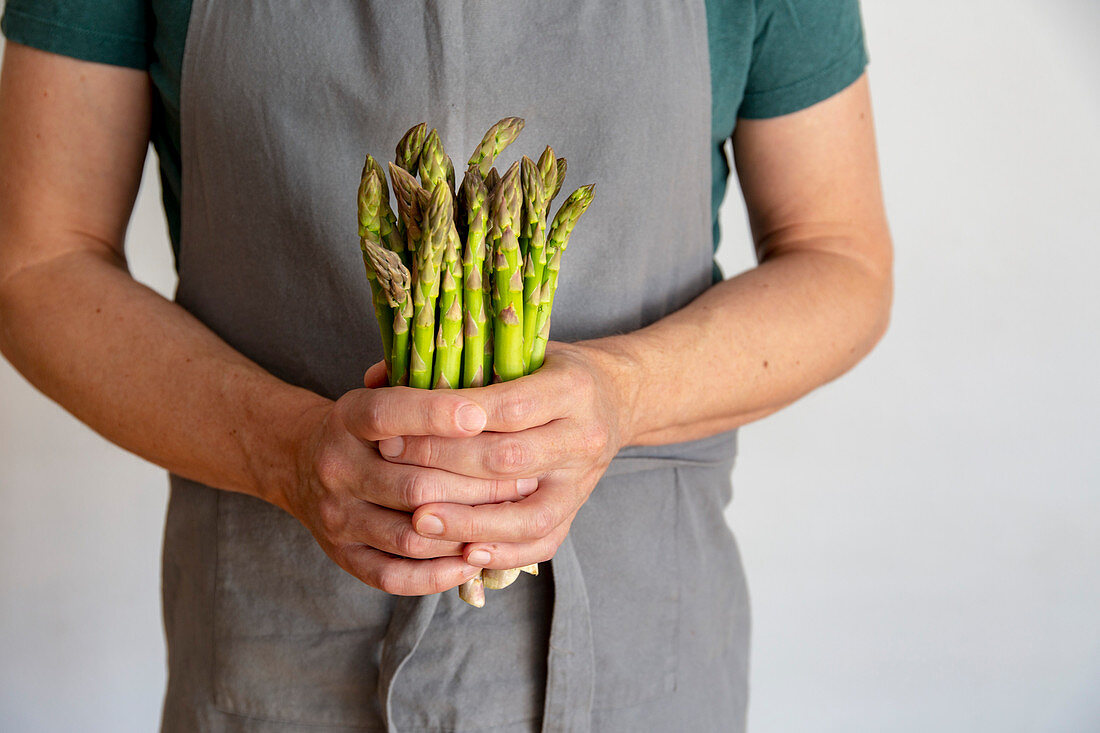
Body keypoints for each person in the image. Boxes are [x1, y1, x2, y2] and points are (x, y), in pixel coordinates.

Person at [0, 1, 891, 731]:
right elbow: (36, 265)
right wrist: (285, 450)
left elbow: (841, 258)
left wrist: (625, 394)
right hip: (272, 655)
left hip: (641, 653)